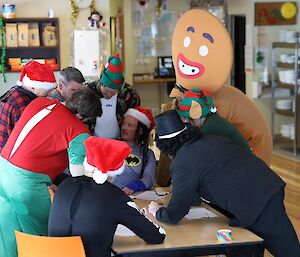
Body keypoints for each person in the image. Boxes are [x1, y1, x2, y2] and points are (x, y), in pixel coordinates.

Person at [147, 110, 300, 257]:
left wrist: (157, 211)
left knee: (287, 251)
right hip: (265, 187)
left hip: (257, 198)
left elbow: (175, 213)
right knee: (246, 245)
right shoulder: (209, 140)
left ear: (166, 147)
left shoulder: (182, 161)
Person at [0, 87, 102, 257]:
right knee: (45, 235)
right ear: (83, 116)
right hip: (26, 184)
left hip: (3, 170)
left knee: (8, 233)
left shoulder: (40, 102)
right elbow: (79, 178)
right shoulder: (78, 130)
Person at [48, 136, 166, 257]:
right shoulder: (115, 196)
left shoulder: (64, 184)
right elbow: (156, 237)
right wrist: (150, 218)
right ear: (116, 171)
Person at [0, 61, 57, 151]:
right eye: (47, 90)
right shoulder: (23, 104)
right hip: (10, 154)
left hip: (4, 148)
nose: (49, 94)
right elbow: (28, 137)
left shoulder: (14, 91)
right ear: (33, 87)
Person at [87, 54, 140, 138]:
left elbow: (136, 119)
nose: (109, 95)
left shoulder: (128, 94)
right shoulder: (88, 91)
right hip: (92, 141)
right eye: (107, 91)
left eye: (113, 93)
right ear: (102, 84)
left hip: (119, 142)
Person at [112, 106, 156, 195]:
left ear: (140, 131)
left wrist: (135, 186)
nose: (124, 128)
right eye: (124, 124)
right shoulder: (111, 146)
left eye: (130, 125)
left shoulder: (147, 154)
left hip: (130, 197)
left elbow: (149, 178)